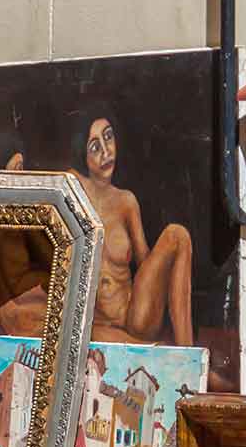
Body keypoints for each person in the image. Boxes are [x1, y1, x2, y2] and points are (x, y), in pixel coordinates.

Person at [71, 113, 194, 346]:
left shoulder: (126, 202)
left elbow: (145, 264)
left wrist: (157, 282)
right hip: (96, 327)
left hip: (135, 317)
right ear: (82, 155)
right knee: (88, 333)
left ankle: (188, 353)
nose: (106, 152)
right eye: (95, 147)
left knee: (177, 234)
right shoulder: (72, 189)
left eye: (109, 137)